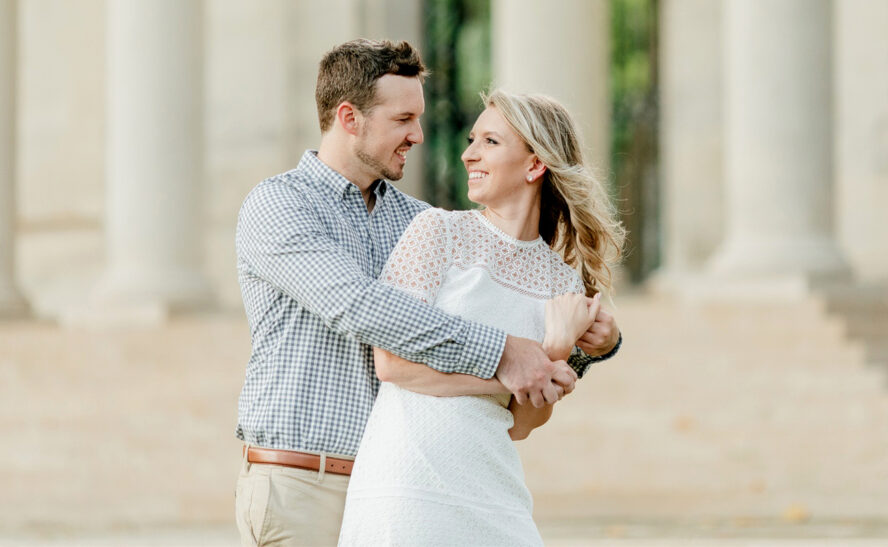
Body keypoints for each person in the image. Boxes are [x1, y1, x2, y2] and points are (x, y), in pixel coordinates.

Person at [234, 39, 620, 546]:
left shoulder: (421, 221)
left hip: (409, 473)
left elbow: (518, 327)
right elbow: (356, 305)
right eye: (403, 119)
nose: (419, 134)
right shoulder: (280, 206)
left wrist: (595, 345)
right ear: (350, 118)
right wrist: (505, 353)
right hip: (304, 482)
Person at [337, 90, 625, 546]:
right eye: (472, 139)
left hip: (495, 495)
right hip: (405, 487)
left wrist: (552, 356)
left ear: (534, 165)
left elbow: (522, 424)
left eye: (490, 141)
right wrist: (527, 370)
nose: (468, 153)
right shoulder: (438, 233)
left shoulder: (564, 284)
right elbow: (392, 365)